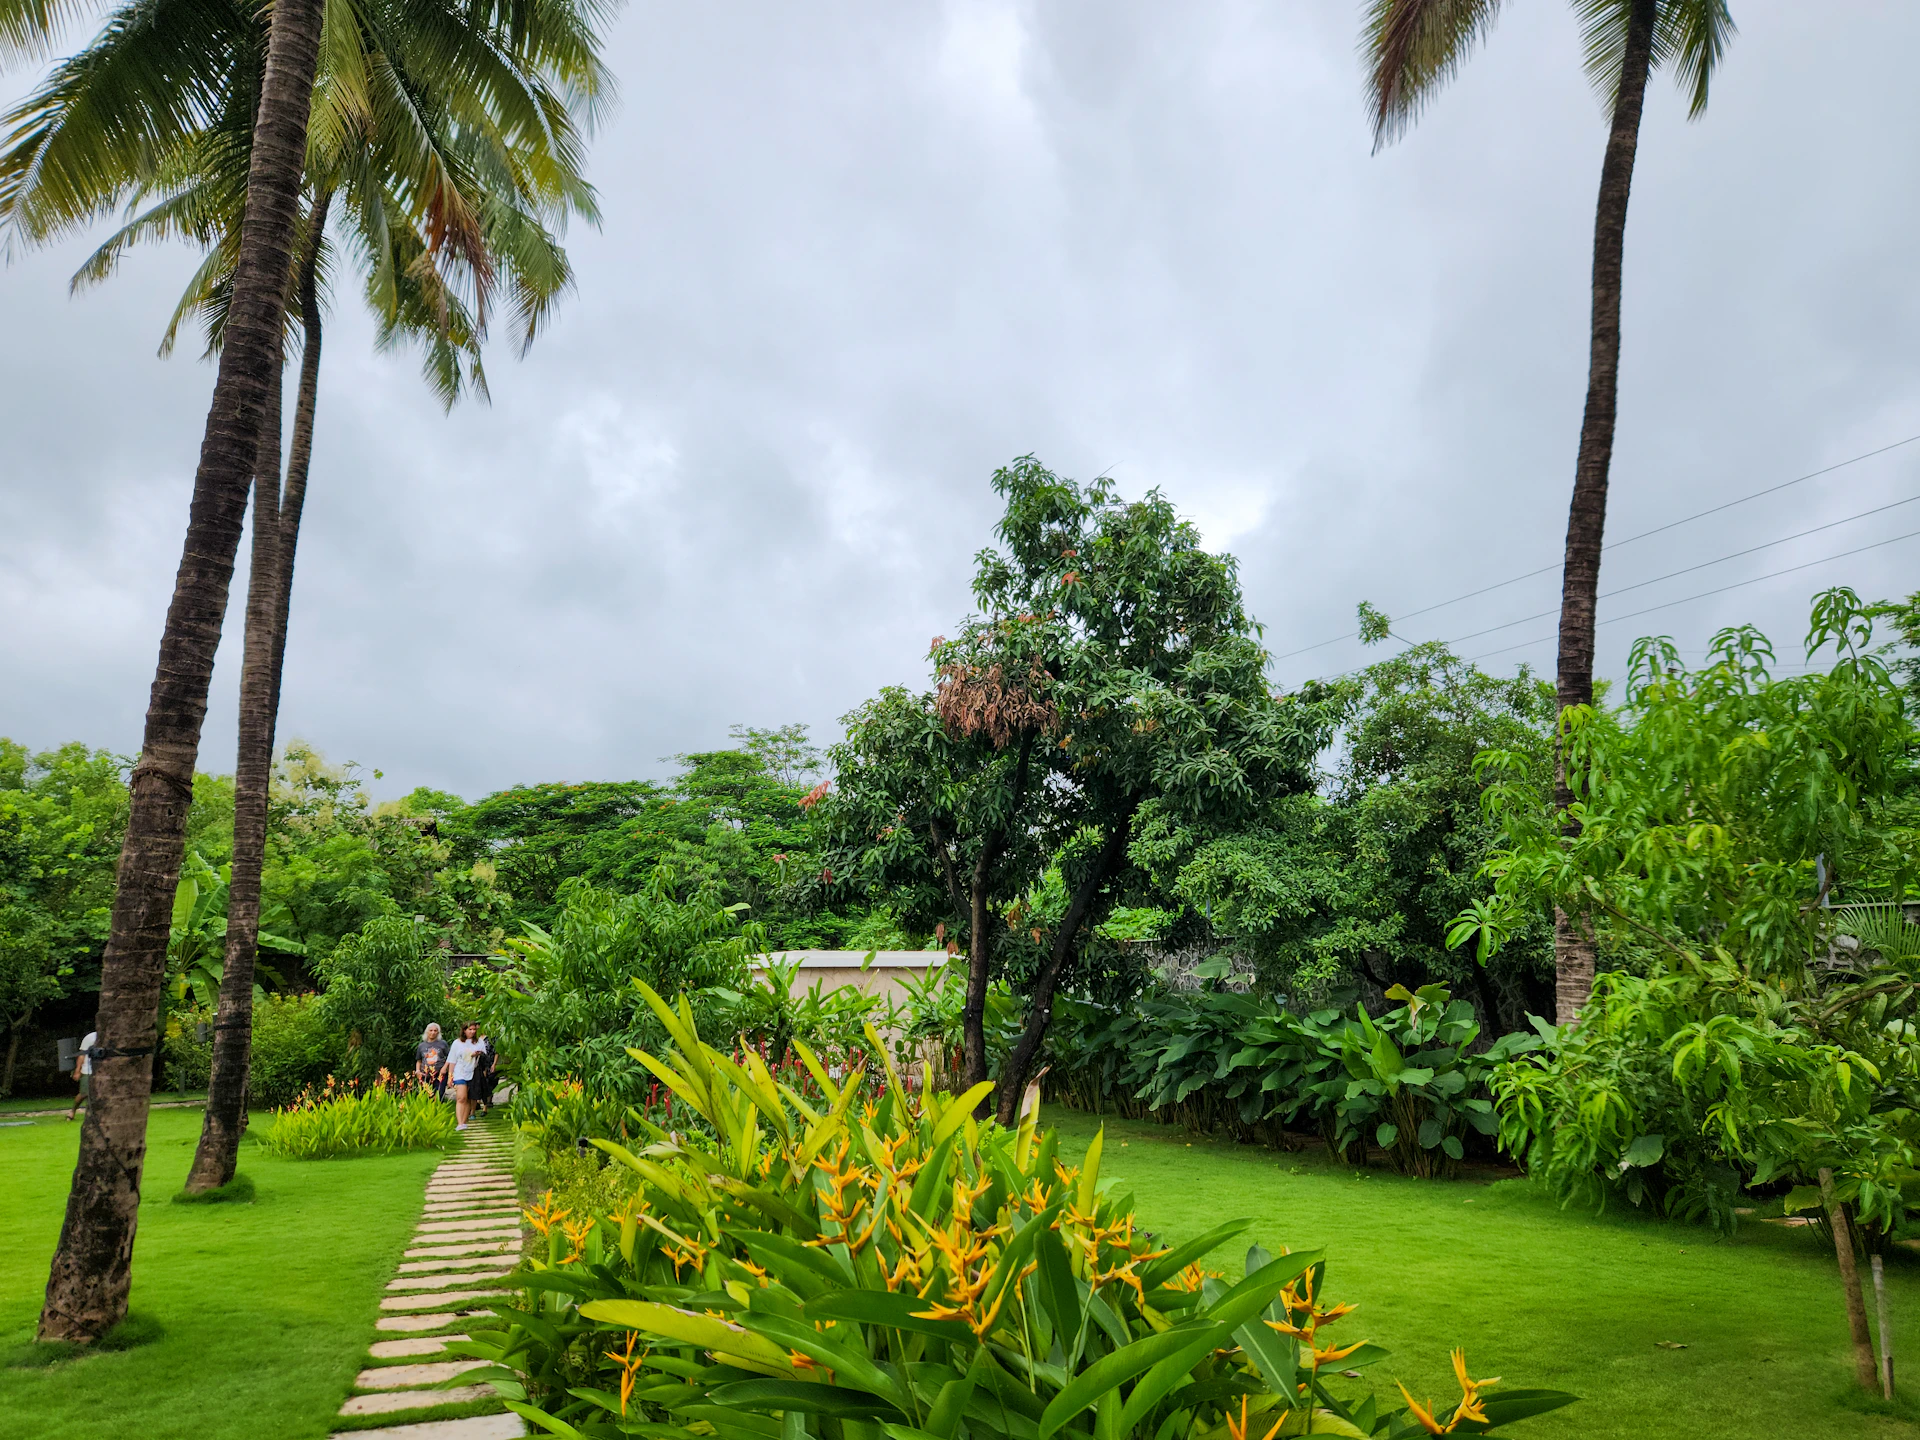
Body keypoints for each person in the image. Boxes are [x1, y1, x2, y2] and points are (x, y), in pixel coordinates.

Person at [444, 1022, 487, 1130]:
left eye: (474, 1029)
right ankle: (459, 1123)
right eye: (470, 1029)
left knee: (468, 1098)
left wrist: (477, 1054)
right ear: (464, 1030)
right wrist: (450, 1076)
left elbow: (484, 1055)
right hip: (460, 1071)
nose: (472, 1032)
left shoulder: (479, 1042)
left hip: (473, 1071)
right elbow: (452, 1060)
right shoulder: (457, 1043)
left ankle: (464, 1121)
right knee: (461, 1097)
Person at [67, 1027, 97, 1121]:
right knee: (84, 1093)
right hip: (87, 1069)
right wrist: (78, 1070)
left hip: (102, 1070)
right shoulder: (90, 1037)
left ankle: (93, 1114)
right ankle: (73, 1111)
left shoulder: (109, 1036)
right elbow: (82, 1055)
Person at [415, 1023, 449, 1100]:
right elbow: (419, 1060)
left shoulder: (443, 1043)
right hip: (425, 1075)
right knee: (425, 1096)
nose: (433, 1032)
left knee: (439, 1095)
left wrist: (445, 1068)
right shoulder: (421, 1045)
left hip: (439, 1074)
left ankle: (438, 1110)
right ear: (427, 1032)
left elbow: (450, 1058)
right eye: (431, 1030)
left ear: (438, 1032)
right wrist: (417, 1071)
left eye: (435, 1031)